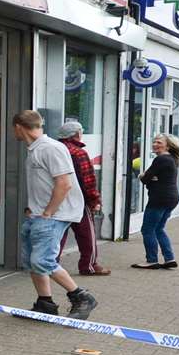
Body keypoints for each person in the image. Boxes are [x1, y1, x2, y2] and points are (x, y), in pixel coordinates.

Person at [10, 111, 98, 319]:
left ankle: (82, 297)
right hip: (39, 214)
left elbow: (64, 183)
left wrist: (48, 212)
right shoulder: (35, 149)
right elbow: (44, 184)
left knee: (43, 261)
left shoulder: (51, 148)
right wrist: (33, 208)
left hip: (53, 215)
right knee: (33, 261)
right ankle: (45, 304)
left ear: (18, 127)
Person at [55, 119, 108, 277]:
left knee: (58, 234)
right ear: (77, 134)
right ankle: (88, 265)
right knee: (87, 235)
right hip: (79, 200)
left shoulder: (55, 150)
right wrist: (95, 200)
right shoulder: (79, 153)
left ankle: (51, 265)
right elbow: (88, 180)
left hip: (57, 199)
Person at [134, 134, 179, 270]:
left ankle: (152, 260)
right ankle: (169, 258)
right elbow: (151, 177)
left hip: (159, 198)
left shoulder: (161, 159)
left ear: (168, 145)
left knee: (147, 230)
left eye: (159, 142)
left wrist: (143, 175)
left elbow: (145, 178)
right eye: (154, 141)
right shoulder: (171, 159)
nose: (155, 144)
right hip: (171, 197)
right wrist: (151, 177)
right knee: (159, 228)